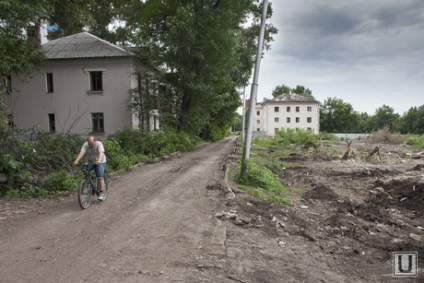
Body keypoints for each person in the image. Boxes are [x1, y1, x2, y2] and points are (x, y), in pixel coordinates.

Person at [73, 136, 107, 200]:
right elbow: (82, 153)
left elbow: (100, 153)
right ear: (87, 142)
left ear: (95, 141)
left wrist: (99, 160)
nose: (90, 145)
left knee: (99, 176)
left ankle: (101, 192)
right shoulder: (85, 145)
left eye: (92, 144)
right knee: (84, 168)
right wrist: (76, 161)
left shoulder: (99, 144)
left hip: (101, 161)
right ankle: (88, 182)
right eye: (89, 144)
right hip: (91, 161)